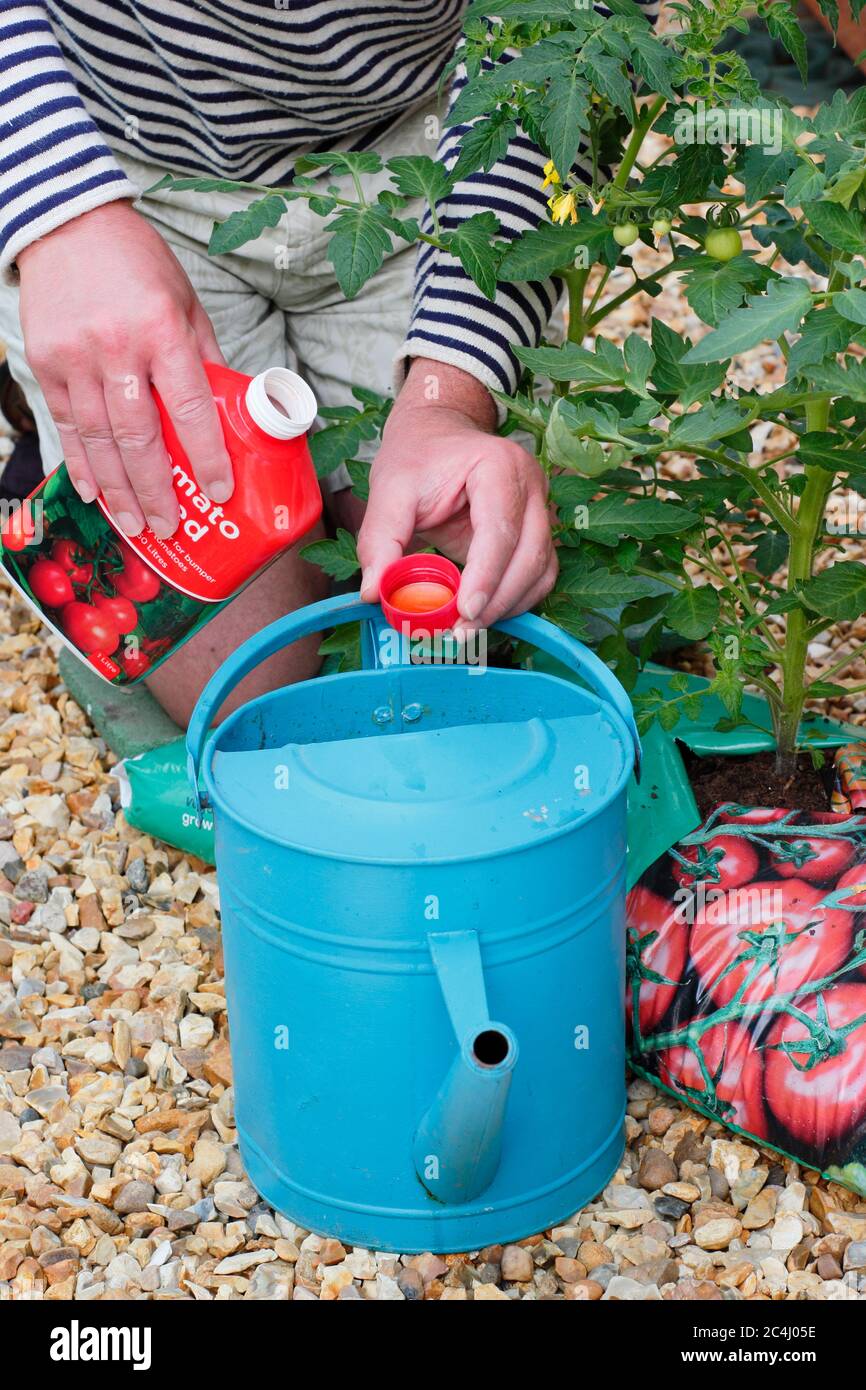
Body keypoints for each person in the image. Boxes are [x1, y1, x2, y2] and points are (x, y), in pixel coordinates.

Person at [0, 0, 655, 723]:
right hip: (115, 162)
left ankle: (321, 462)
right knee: (247, 694)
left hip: (423, 154)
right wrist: (56, 214)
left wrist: (447, 397)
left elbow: (562, 48)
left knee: (454, 575)